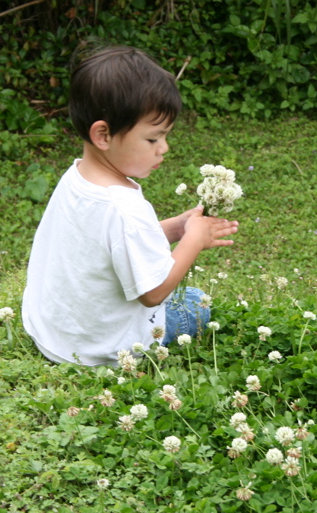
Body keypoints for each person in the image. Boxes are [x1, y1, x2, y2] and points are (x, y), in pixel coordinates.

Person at [22, 45, 238, 366]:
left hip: (55, 334)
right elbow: (152, 293)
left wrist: (177, 227)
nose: (164, 148)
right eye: (153, 139)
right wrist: (194, 241)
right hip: (104, 347)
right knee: (195, 303)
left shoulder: (77, 178)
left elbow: (108, 247)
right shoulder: (124, 207)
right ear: (103, 135)